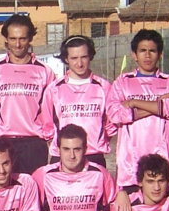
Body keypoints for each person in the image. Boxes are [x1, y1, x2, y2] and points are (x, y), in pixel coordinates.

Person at [106, 29, 169, 190]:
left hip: (162, 160)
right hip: (130, 164)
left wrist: (134, 102)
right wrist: (157, 105)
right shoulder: (122, 82)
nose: (147, 55)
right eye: (142, 51)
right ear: (134, 55)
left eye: (152, 51)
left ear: (160, 54)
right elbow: (115, 114)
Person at [0, 14, 55, 175]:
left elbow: (50, 111)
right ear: (6, 39)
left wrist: (48, 136)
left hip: (33, 143)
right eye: (13, 39)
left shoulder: (44, 71)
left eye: (23, 39)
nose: (17, 44)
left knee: (34, 187)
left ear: (30, 38)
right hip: (3, 141)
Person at [41, 35, 115, 167]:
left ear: (90, 56)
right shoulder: (54, 89)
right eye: (74, 58)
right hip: (63, 157)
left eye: (84, 57)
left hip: (94, 155)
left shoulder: (104, 87)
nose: (79, 63)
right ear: (66, 59)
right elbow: (47, 126)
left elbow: (111, 125)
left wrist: (98, 141)